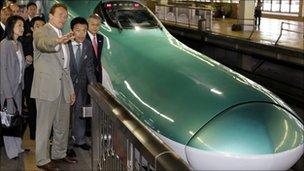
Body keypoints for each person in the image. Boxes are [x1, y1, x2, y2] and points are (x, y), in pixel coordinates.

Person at [31, 3, 76, 170]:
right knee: (44, 125)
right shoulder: (41, 31)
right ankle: (42, 160)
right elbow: (42, 44)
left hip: (63, 88)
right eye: (60, 15)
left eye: (65, 16)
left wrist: (71, 90)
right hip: (46, 88)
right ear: (50, 16)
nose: (63, 18)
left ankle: (59, 154)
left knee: (62, 125)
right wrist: (58, 40)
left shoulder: (63, 35)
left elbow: (66, 67)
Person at [0, 15, 32, 159]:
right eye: (19, 25)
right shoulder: (4, 44)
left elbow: (19, 66)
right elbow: (2, 70)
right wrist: (7, 93)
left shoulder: (18, 43)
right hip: (8, 90)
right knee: (8, 120)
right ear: (11, 27)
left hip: (18, 87)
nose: (22, 28)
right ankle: (11, 151)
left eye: (23, 26)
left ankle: (18, 147)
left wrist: (27, 62)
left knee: (16, 119)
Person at [67, 17, 96, 157]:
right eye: (78, 30)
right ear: (72, 30)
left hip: (82, 85)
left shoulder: (87, 45)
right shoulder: (65, 44)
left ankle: (80, 140)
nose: (81, 33)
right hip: (67, 85)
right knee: (66, 117)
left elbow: (90, 66)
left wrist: (93, 85)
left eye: (84, 30)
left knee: (80, 112)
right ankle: (66, 145)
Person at [20, 16, 45, 140]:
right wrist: (28, 57)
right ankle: (34, 134)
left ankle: (44, 133)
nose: (40, 29)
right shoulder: (25, 41)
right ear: (32, 28)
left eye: (42, 26)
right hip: (30, 79)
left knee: (43, 108)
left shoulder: (47, 42)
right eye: (37, 26)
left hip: (44, 80)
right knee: (32, 106)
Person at [86, 14, 103, 82]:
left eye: (97, 25)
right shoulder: (83, 38)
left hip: (98, 74)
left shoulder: (100, 38)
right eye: (92, 24)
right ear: (87, 25)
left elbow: (97, 57)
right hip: (86, 75)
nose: (95, 27)